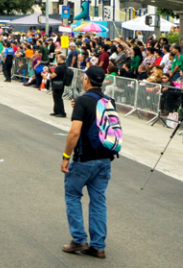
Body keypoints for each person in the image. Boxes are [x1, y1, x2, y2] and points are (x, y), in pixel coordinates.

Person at [61, 66, 113, 259]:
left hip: (84, 160)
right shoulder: (108, 101)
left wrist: (66, 157)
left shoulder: (83, 101)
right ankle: (98, 246)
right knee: (98, 201)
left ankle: (79, 239)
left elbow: (75, 132)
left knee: (73, 196)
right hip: (105, 159)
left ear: (87, 80)